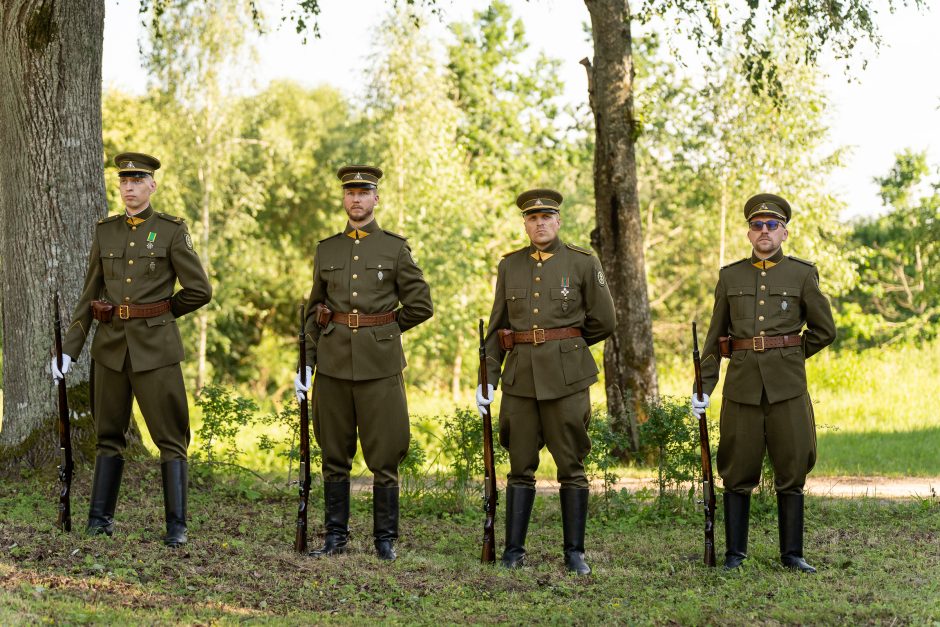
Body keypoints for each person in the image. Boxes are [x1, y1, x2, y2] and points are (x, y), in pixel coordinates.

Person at [51, 152, 212, 547]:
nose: (129, 188)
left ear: (152, 186)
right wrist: (70, 349)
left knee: (171, 438)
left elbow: (200, 290)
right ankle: (98, 521)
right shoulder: (105, 231)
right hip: (110, 349)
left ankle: (176, 528)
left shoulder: (172, 230)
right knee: (108, 435)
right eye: (124, 182)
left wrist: (162, 312)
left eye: (137, 181)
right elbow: (90, 294)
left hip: (156, 349)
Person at [690, 193, 836, 572]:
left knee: (792, 468)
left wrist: (790, 353)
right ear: (749, 233)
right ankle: (735, 555)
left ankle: (792, 555)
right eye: (757, 226)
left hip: (788, 388)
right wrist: (702, 388)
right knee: (737, 471)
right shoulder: (731, 275)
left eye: (772, 225)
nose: (764, 231)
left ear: (784, 232)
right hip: (742, 388)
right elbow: (713, 339)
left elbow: (824, 330)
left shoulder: (802, 274)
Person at [294, 165, 433, 561]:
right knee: (334, 454)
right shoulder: (327, 250)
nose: (356, 199)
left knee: (384, 456)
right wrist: (306, 362)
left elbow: (421, 305)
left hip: (380, 367)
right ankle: (335, 537)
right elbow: (314, 309)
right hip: (333, 364)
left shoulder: (394, 248)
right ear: (344, 199)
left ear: (376, 199)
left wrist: (384, 330)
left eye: (363, 193)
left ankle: (384, 540)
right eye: (350, 193)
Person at [476, 189, 616, 575]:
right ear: (525, 223)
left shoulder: (584, 262)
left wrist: (565, 345)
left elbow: (606, 320)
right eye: (532, 218)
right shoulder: (510, 266)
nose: (539, 223)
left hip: (567, 380)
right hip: (520, 380)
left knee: (571, 465)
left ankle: (575, 554)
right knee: (520, 465)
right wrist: (487, 377)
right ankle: (513, 551)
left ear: (558, 221)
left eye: (546, 217)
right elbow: (497, 324)